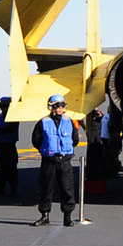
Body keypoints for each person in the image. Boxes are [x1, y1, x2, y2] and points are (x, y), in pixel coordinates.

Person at [32, 94, 79, 227]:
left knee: (67, 189)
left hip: (64, 161)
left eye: (62, 106)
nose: (60, 108)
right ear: (51, 107)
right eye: (57, 106)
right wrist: (47, 150)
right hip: (49, 161)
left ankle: (67, 217)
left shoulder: (69, 121)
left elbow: (74, 140)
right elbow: (36, 140)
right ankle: (44, 215)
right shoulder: (43, 122)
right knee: (46, 188)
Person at [0, 97, 20, 195]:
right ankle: (0, 187)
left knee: (11, 167)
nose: (2, 109)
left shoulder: (13, 118)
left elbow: (8, 130)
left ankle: (13, 188)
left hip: (9, 144)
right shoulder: (0, 117)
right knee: (0, 167)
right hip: (0, 145)